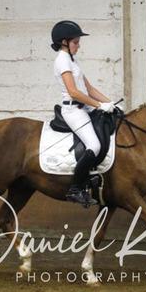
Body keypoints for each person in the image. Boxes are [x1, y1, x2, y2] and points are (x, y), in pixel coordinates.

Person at [51, 20, 115, 207]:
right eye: (75, 42)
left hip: (85, 107)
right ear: (64, 42)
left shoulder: (73, 60)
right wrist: (99, 105)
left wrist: (109, 103)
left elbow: (89, 89)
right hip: (73, 110)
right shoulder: (62, 60)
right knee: (94, 145)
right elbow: (74, 92)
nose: (78, 46)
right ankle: (75, 189)